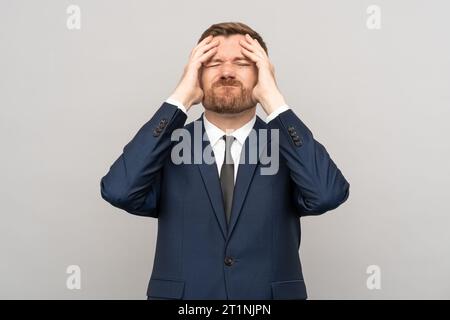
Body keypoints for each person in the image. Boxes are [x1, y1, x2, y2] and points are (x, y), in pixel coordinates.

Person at [100, 22, 350, 300]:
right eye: (213, 63)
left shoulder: (287, 146)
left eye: (242, 63)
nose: (227, 72)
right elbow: (119, 190)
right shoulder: (166, 146)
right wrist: (179, 98)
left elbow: (327, 194)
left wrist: (275, 101)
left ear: (262, 75)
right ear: (195, 74)